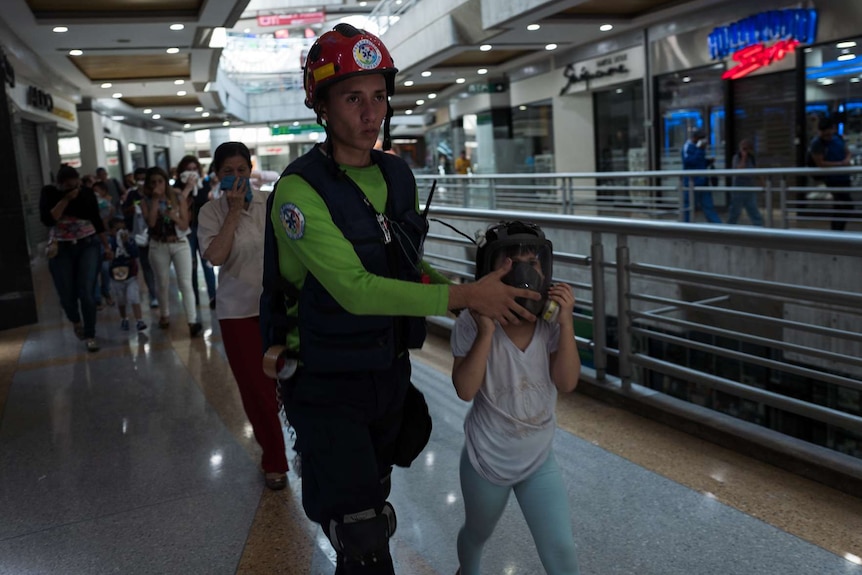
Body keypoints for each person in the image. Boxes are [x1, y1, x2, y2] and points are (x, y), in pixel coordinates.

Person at [266, 23, 541, 575]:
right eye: (352, 98)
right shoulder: (298, 191)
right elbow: (354, 290)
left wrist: (483, 297)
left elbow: (405, 264)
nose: (371, 112)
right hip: (326, 380)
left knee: (371, 509)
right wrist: (463, 295)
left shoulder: (395, 173)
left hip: (387, 373)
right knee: (362, 534)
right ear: (320, 105)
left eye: (379, 96)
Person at [450, 221, 581, 575]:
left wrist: (566, 324)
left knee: (561, 551)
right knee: (477, 535)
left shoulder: (549, 324)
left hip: (538, 458)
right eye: (510, 263)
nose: (524, 273)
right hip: (487, 461)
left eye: (532, 263)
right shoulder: (471, 322)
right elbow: (464, 390)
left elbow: (567, 382)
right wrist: (485, 331)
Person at [197, 142, 289, 491]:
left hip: (280, 307)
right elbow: (216, 257)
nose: (235, 178)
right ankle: (275, 461)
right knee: (257, 390)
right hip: (238, 314)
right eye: (226, 172)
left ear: (250, 169)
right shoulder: (211, 212)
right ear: (216, 175)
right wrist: (234, 212)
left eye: (240, 170)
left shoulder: (272, 202)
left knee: (291, 381)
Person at [39, 165, 113, 352]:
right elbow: (49, 219)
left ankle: (90, 334)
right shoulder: (49, 193)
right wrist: (65, 199)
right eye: (68, 186)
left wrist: (106, 245)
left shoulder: (87, 193)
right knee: (66, 294)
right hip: (61, 248)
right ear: (59, 184)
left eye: (75, 185)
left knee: (86, 291)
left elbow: (96, 220)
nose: (73, 189)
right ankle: (75, 320)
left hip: (87, 245)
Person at [139, 166, 202, 336]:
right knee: (162, 283)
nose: (157, 185)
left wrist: (172, 214)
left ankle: (192, 321)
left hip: (180, 243)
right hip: (158, 245)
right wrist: (154, 200)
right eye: (153, 182)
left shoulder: (177, 196)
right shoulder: (145, 201)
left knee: (185, 283)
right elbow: (151, 224)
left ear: (166, 182)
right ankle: (165, 315)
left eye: (160, 181)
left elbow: (184, 225)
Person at [174, 155, 218, 309]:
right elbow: (178, 206)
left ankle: (213, 297)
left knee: (208, 264)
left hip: (203, 229)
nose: (192, 173)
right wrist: (187, 189)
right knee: (190, 265)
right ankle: (194, 299)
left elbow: (208, 205)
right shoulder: (177, 188)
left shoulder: (203, 186)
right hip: (186, 230)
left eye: (194, 169)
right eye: (188, 170)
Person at [122, 167, 159, 308]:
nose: (141, 182)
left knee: (159, 266)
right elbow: (124, 211)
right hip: (140, 236)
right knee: (146, 265)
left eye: (144, 179)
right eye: (139, 179)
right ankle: (153, 295)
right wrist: (132, 209)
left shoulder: (154, 194)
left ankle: (159, 292)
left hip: (156, 234)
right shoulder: (132, 195)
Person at [809, 117, 853, 231]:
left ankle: (837, 231)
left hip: (844, 177)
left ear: (832, 129)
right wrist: (840, 164)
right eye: (824, 134)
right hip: (833, 179)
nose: (827, 137)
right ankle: (837, 231)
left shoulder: (838, 138)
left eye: (828, 134)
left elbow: (847, 152)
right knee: (845, 205)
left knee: (842, 206)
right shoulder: (817, 143)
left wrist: (846, 160)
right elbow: (820, 163)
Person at [107, 217, 147, 332]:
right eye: (117, 229)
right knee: (121, 300)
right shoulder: (110, 242)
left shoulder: (130, 241)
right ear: (111, 231)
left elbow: (135, 253)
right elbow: (106, 256)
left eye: (123, 229)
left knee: (134, 297)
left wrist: (127, 243)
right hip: (116, 276)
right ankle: (124, 318)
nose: (121, 232)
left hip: (131, 276)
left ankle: (139, 320)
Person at [681, 129, 722, 223]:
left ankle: (718, 228)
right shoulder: (688, 147)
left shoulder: (698, 148)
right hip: (692, 183)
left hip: (703, 182)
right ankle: (686, 228)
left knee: (709, 206)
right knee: (688, 207)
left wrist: (708, 162)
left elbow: (699, 163)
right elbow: (688, 162)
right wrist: (700, 150)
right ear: (695, 138)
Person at [727, 139, 764, 226]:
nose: (745, 150)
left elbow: (757, 171)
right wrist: (743, 157)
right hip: (738, 187)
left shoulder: (752, 158)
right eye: (743, 148)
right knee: (735, 211)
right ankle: (730, 227)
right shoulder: (736, 157)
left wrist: (763, 184)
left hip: (750, 187)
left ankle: (759, 227)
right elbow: (739, 170)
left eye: (746, 148)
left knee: (753, 209)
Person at [92, 180, 116, 309]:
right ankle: (97, 299)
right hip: (92, 240)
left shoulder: (108, 206)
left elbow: (110, 224)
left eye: (97, 191)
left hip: (105, 239)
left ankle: (105, 291)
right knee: (94, 270)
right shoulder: (89, 206)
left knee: (105, 268)